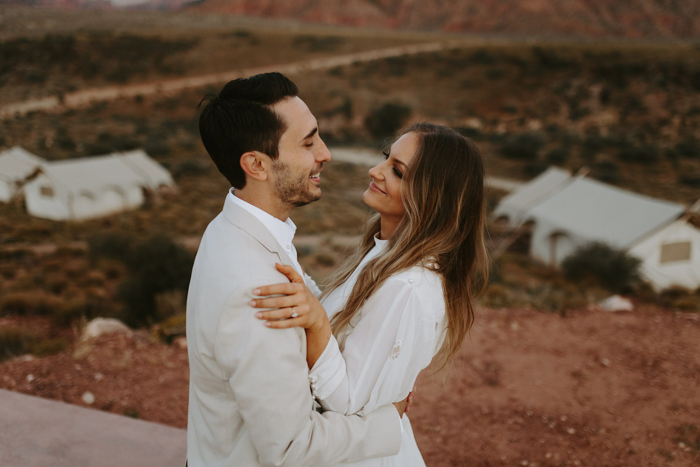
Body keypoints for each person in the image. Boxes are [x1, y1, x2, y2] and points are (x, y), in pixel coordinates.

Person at [187, 72, 405, 467]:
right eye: (308, 142)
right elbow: (290, 448)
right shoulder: (254, 290)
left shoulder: (229, 230)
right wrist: (390, 422)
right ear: (256, 164)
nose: (325, 153)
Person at [251, 122, 488, 466]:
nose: (374, 171)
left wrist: (317, 326)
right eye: (385, 158)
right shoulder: (385, 257)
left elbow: (347, 402)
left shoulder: (408, 287)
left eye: (397, 171)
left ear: (430, 197)